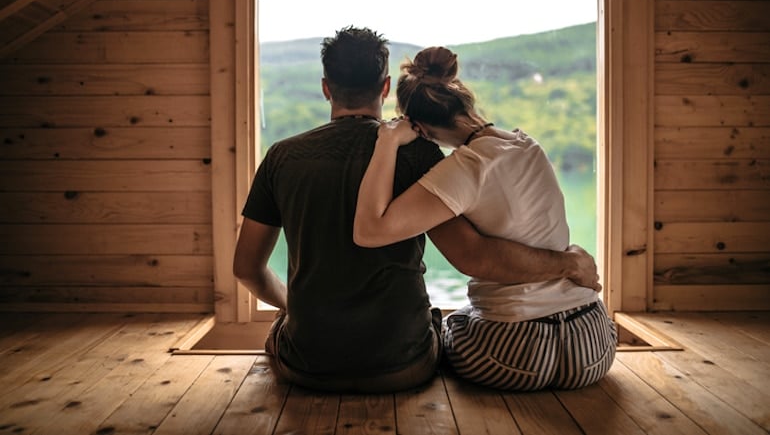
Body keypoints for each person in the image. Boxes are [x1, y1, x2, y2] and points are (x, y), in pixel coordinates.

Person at [233, 26, 602, 394]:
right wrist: (567, 262)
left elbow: (246, 268)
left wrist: (290, 306)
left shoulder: (281, 156)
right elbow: (471, 252)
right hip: (411, 364)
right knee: (440, 322)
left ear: (326, 87)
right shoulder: (430, 155)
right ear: (385, 86)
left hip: (308, 365)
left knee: (285, 332)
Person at [353, 46, 616, 391]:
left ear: (418, 126)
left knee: (444, 328)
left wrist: (388, 142)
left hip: (512, 354)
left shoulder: (463, 168)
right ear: (462, 100)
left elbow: (370, 231)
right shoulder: (528, 146)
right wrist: (569, 264)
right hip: (593, 345)